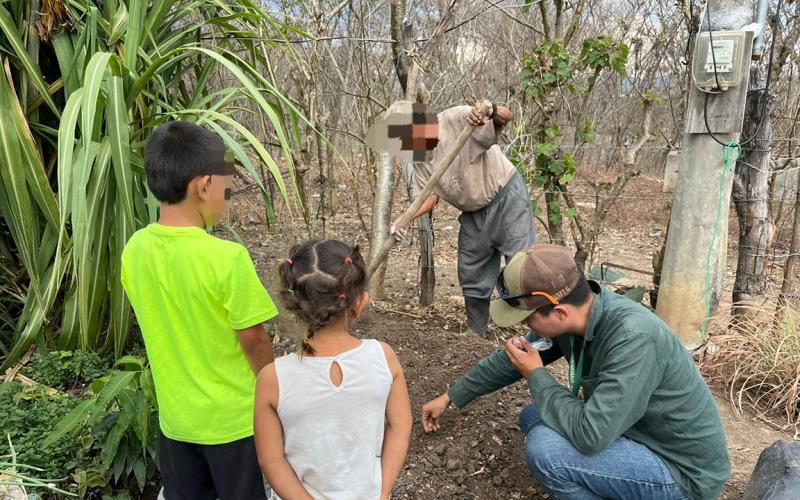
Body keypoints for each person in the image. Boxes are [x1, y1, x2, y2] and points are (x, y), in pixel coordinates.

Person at [421, 244, 731, 500]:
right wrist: (451, 397)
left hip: (682, 473)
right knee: (533, 417)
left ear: (559, 312)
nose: (525, 327)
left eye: (528, 320)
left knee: (546, 451)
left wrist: (537, 375)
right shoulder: (577, 316)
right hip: (635, 432)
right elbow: (511, 361)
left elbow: (591, 436)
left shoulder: (633, 338)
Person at [121, 121, 277, 500]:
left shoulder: (135, 251)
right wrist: (276, 392)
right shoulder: (226, 258)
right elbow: (254, 341)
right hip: (234, 425)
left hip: (176, 423)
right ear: (204, 185)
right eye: (225, 183)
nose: (227, 193)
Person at [254, 240, 412, 500]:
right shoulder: (383, 357)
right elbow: (401, 424)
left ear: (294, 304)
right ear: (360, 302)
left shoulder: (273, 378)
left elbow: (270, 461)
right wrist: (382, 493)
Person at [389, 100, 536, 337]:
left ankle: (539, 333)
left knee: (522, 267)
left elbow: (505, 117)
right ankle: (476, 332)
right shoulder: (418, 160)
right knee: (471, 269)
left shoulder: (457, 118)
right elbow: (428, 196)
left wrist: (490, 111)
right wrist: (402, 220)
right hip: (473, 211)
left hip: (507, 195)